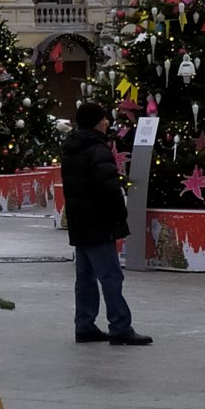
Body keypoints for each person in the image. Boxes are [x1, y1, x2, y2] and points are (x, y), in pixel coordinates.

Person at [60, 101, 153, 345]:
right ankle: (120, 326)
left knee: (86, 277)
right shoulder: (97, 149)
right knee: (111, 275)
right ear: (95, 122)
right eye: (103, 118)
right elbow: (108, 189)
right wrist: (119, 217)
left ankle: (85, 324)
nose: (107, 122)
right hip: (98, 222)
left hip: (81, 222)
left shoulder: (71, 148)